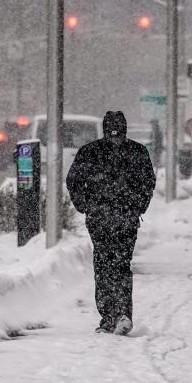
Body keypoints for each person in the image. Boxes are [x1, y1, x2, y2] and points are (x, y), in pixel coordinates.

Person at [66, 111, 156, 335]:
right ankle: (111, 316)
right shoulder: (94, 153)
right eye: (112, 134)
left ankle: (119, 314)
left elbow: (147, 183)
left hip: (121, 218)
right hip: (105, 218)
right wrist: (86, 205)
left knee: (117, 265)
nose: (115, 138)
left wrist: (136, 206)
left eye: (119, 134)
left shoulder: (98, 153)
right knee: (107, 265)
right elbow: (74, 181)